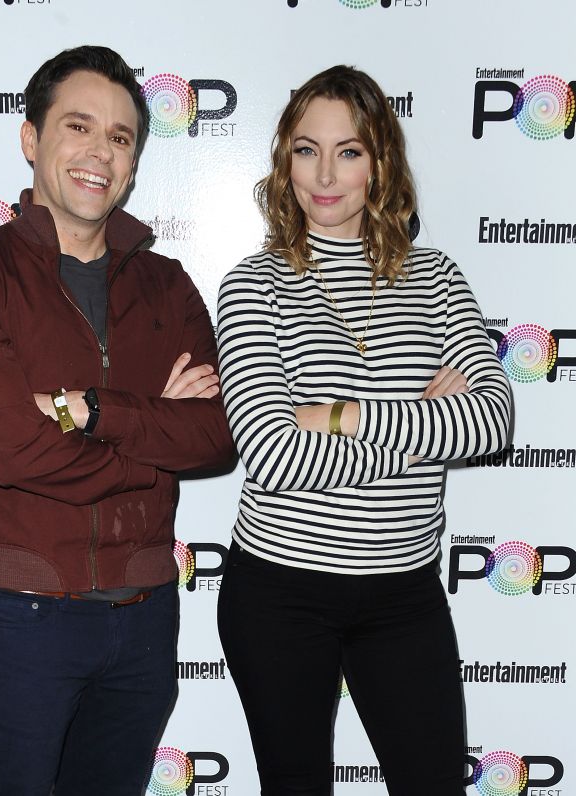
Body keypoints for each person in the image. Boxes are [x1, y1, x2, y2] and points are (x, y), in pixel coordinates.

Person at [0, 45, 233, 796]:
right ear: (31, 139)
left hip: (145, 621)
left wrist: (88, 411)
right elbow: (8, 448)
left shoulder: (167, 284)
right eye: (79, 126)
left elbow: (220, 435)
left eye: (120, 137)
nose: (101, 152)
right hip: (21, 620)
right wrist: (155, 439)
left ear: (134, 162)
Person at [216, 65, 511, 796]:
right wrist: (424, 432)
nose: (325, 175)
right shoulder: (253, 284)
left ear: (379, 163)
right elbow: (272, 455)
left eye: (348, 152)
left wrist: (339, 416)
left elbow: (490, 421)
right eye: (306, 150)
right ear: (284, 162)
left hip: (404, 594)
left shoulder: (437, 278)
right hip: (280, 592)